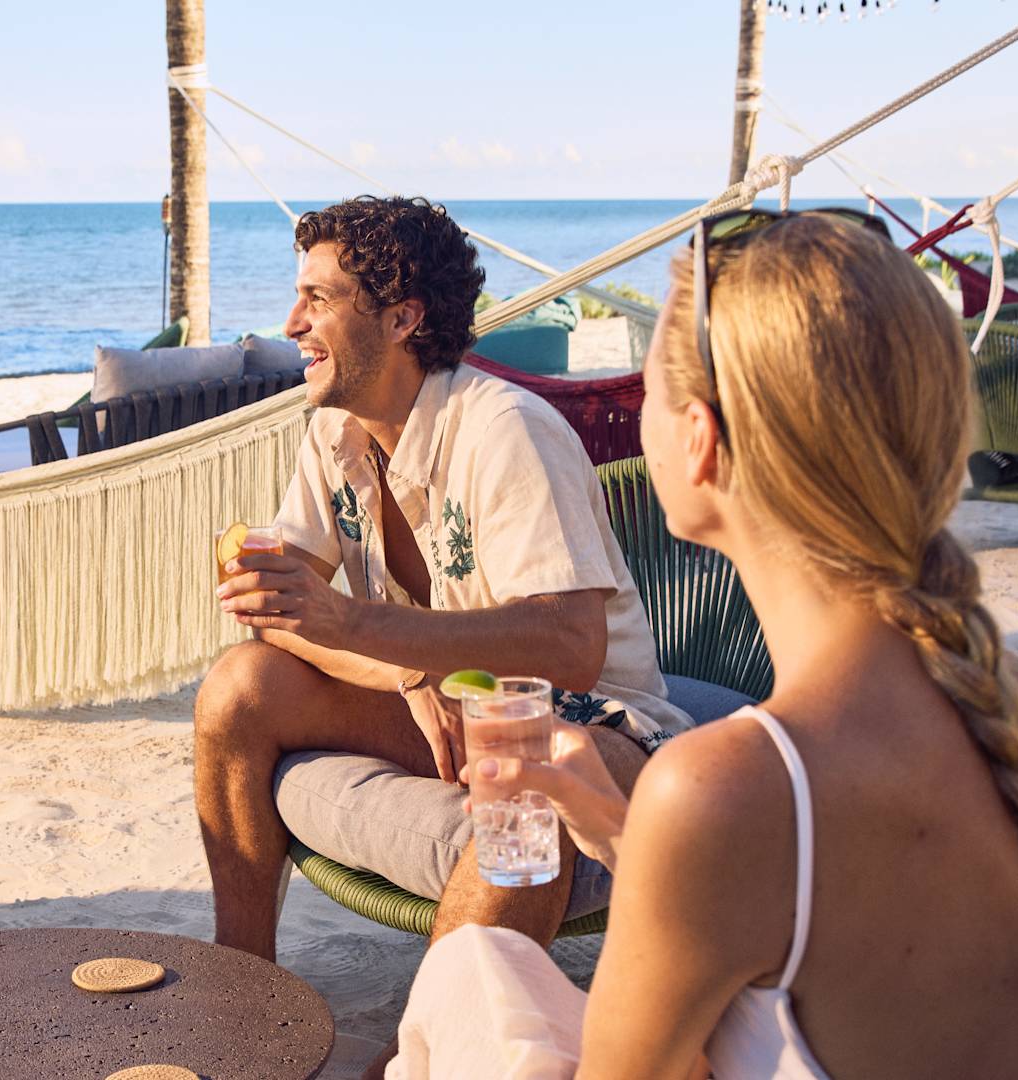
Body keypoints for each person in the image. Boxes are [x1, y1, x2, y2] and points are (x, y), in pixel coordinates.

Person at [387, 211, 1018, 1078]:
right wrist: (624, 838)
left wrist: (664, 835)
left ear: (700, 443)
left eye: (651, 394)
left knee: (466, 975)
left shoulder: (728, 787)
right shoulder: (1015, 703)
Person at [199, 196, 692, 964]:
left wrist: (358, 626)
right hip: (456, 705)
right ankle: (243, 984)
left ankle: (442, 1027)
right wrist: (407, 673)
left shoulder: (507, 430)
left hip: (593, 722)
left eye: (318, 299)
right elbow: (283, 613)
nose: (292, 323)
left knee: (526, 775)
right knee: (239, 685)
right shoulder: (334, 432)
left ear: (402, 318)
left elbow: (572, 645)